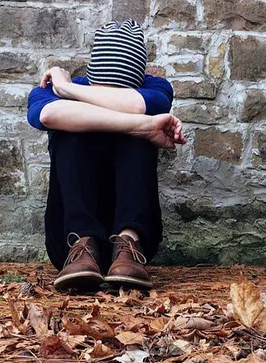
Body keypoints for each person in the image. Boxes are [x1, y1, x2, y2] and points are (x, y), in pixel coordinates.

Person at [26, 19, 185, 291]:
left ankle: (127, 243)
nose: (108, 98)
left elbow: (138, 105)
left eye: (119, 93)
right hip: (66, 237)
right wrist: (145, 127)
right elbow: (48, 115)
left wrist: (69, 91)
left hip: (136, 238)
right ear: (92, 79)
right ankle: (83, 243)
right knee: (72, 131)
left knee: (139, 132)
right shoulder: (49, 92)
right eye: (101, 91)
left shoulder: (157, 88)